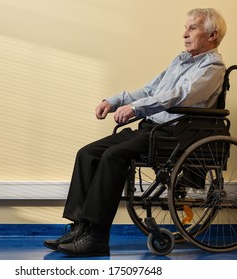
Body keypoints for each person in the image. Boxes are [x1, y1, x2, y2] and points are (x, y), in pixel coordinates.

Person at [44, 8, 227, 257]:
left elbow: (179, 95)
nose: (184, 34)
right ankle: (80, 228)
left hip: (175, 134)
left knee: (113, 156)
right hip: (152, 128)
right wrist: (114, 101)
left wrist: (136, 108)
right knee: (87, 153)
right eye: (185, 28)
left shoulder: (213, 67)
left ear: (212, 35)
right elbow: (149, 90)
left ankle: (96, 237)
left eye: (192, 28)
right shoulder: (180, 60)